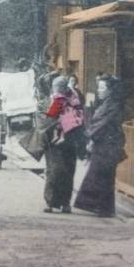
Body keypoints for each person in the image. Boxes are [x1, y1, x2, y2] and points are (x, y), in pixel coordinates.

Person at [74, 74, 126, 217]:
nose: (99, 90)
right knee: (101, 175)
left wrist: (91, 138)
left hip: (108, 144)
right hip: (102, 143)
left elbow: (102, 124)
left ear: (111, 90)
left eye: (102, 88)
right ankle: (103, 208)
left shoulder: (114, 105)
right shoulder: (106, 103)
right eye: (99, 87)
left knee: (102, 175)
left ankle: (104, 208)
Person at [41, 76, 78, 214]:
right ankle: (63, 203)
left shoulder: (58, 101)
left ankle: (53, 202)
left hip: (56, 142)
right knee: (65, 172)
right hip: (67, 141)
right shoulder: (73, 99)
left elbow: (48, 120)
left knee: (54, 171)